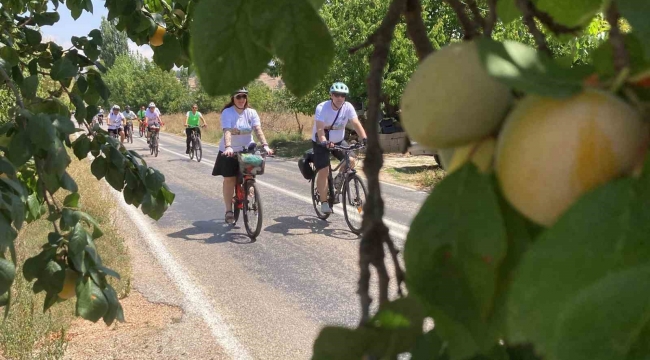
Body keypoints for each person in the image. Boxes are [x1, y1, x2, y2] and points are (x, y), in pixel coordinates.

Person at [212, 88, 273, 224]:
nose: (241, 99)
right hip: (230, 151)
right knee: (230, 180)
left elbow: (257, 129)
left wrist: (265, 145)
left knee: (250, 175)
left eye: (244, 97)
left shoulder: (251, 113)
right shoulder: (228, 113)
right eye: (238, 97)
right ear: (233, 98)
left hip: (247, 149)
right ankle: (229, 210)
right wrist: (228, 147)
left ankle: (249, 191)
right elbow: (227, 130)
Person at [312, 82, 368, 214]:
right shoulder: (322, 108)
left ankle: (338, 180)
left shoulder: (348, 107)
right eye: (336, 95)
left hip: (338, 141)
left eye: (342, 95)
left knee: (352, 160)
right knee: (324, 171)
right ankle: (324, 202)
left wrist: (365, 139)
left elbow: (355, 123)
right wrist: (324, 142)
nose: (340, 98)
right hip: (321, 142)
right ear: (331, 95)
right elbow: (320, 129)